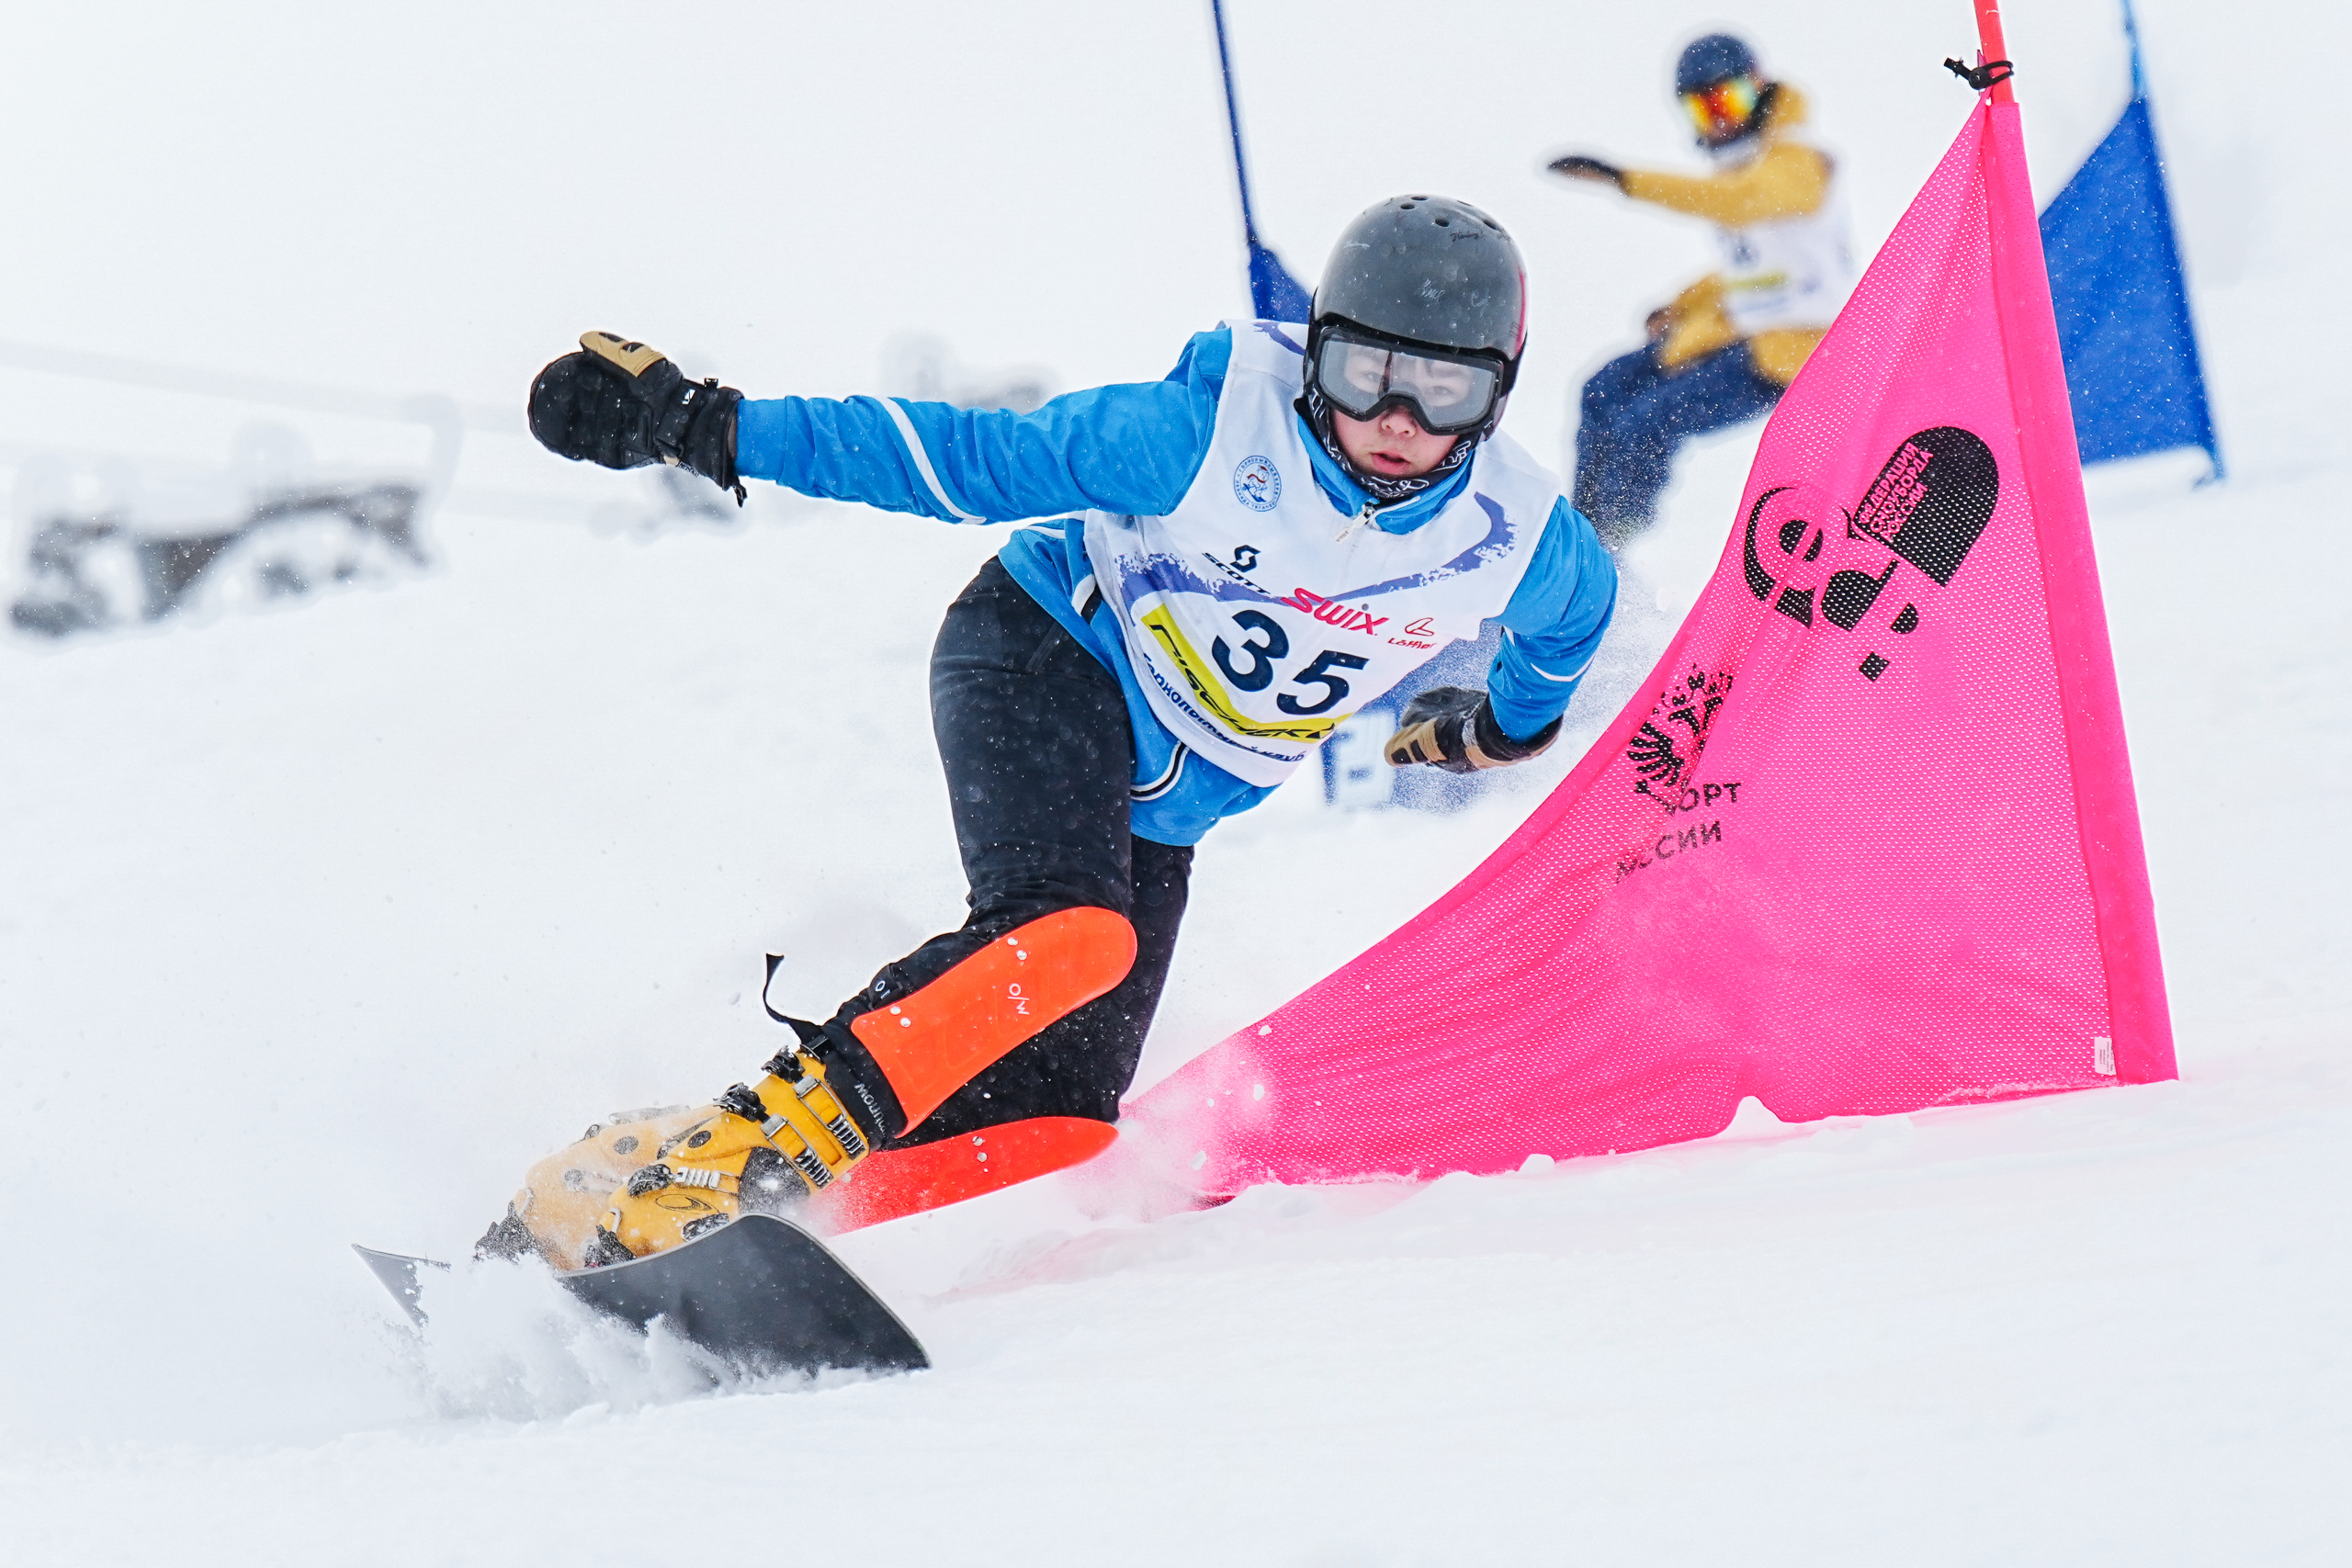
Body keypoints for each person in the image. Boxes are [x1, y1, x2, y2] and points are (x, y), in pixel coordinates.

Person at [503, 195, 1617, 1266]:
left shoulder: (1515, 537)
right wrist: (702, 425)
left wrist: (1495, 732)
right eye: (1365, 374)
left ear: (1499, 393)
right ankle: (744, 1165)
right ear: (1315, 347)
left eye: (1443, 392)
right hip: (1042, 655)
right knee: (1071, 935)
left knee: (1060, 1110)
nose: (1396, 423)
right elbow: (964, 459)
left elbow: (1565, 637)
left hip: (1162, 799)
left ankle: (665, 1176)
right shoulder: (1202, 429)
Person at [1548, 32, 1854, 547]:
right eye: (1704, 109)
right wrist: (1683, 305)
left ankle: (1608, 548)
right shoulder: (1747, 165)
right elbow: (1751, 268)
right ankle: (1583, 536)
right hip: (1740, 332)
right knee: (1603, 388)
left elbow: (1738, 202)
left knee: (1644, 427)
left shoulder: (1800, 161)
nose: (1720, 120)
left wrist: (1627, 180)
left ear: (1759, 87)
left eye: (1728, 100)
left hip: (1788, 354)